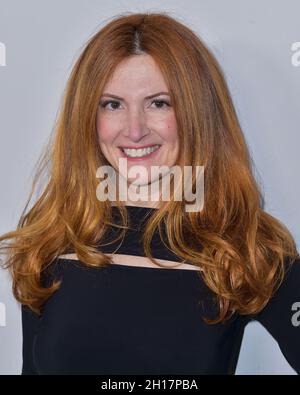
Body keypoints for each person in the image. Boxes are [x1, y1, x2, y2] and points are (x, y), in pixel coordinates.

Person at [0, 12, 299, 375]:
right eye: (113, 104)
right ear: (87, 117)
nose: (135, 129)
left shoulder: (244, 245)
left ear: (196, 113)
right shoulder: (53, 234)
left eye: (159, 103)